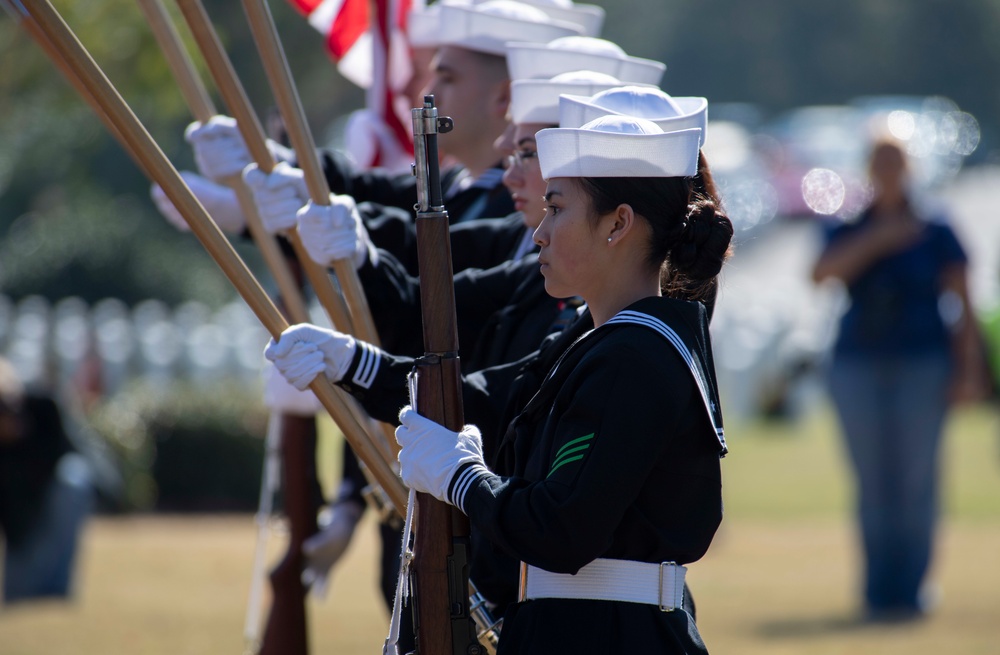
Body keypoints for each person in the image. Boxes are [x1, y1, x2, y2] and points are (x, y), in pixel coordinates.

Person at [266, 114, 733, 653]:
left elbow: (559, 526)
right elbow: (489, 397)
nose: (540, 231)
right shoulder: (601, 341)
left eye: (557, 209)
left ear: (618, 223)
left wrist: (462, 477)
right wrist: (354, 364)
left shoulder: (635, 356)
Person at [811, 138, 989, 621]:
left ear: (910, 168)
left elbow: (963, 298)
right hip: (858, 363)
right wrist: (881, 238)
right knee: (872, 482)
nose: (888, 171)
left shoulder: (935, 227)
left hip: (922, 361)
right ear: (868, 168)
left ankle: (911, 588)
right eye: (879, 162)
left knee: (916, 478)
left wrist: (970, 367)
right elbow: (821, 273)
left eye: (896, 161)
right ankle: (877, 590)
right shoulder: (852, 225)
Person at [0, 357, 94, 604]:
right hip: (19, 536)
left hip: (48, 515)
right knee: (19, 595)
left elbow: (70, 455)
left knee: (74, 478)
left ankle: (60, 589)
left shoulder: (44, 412)